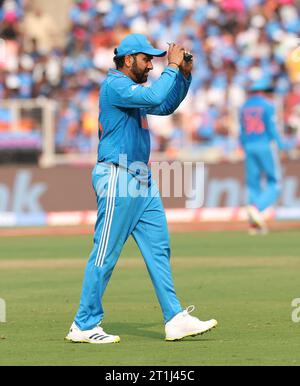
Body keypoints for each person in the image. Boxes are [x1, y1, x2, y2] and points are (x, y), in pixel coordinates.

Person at [65, 33, 217, 344]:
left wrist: (183, 76)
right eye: (146, 59)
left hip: (141, 179)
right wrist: (172, 67)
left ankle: (174, 317)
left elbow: (164, 106)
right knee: (105, 254)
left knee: (159, 249)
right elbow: (153, 98)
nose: (150, 64)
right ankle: (83, 324)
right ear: (128, 59)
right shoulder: (115, 85)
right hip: (117, 176)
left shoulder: (132, 90)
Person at [239, 75, 288, 235]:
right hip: (265, 145)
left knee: (253, 184)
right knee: (275, 183)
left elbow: (242, 132)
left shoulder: (244, 107)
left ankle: (254, 224)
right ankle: (256, 208)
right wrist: (283, 147)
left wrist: (245, 147)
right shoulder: (268, 105)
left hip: (249, 147)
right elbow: (272, 128)